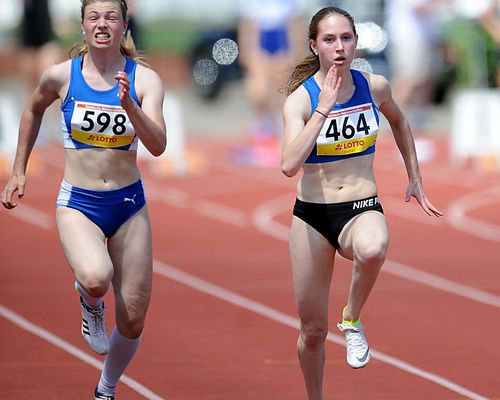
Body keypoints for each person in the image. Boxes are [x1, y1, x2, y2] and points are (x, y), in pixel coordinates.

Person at [1, 1, 166, 399]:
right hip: (79, 203)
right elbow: (32, 109)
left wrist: (130, 107)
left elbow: (159, 146)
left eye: (111, 16)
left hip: (129, 206)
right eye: (94, 17)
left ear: (125, 24)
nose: (102, 24)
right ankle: (89, 300)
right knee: (96, 276)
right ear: (83, 25)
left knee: (133, 320)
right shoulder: (61, 77)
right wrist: (19, 169)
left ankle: (106, 389)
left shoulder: (145, 81)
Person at [280, 7, 442, 399]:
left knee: (373, 249)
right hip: (312, 217)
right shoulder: (300, 102)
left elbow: (401, 122)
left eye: (346, 38)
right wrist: (323, 110)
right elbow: (288, 165)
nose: (340, 48)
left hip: (360, 206)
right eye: (330, 40)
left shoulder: (376, 87)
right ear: (314, 46)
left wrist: (415, 177)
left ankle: (352, 319)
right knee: (312, 332)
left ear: (356, 42)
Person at [236, 0, 305, 166]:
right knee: (257, 91)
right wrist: (247, 53)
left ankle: (281, 135)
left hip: (282, 40)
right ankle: (263, 130)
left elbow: (295, 26)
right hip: (259, 40)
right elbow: (246, 27)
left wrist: (296, 53)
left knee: (280, 89)